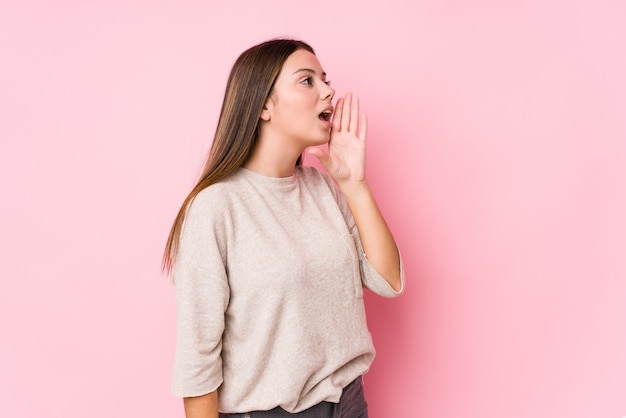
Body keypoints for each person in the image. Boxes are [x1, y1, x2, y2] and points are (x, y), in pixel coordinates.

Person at [163, 38, 405, 418]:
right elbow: (198, 362)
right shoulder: (215, 208)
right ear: (263, 106)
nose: (329, 90)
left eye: (326, 80)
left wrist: (355, 184)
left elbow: (388, 281)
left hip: (349, 404)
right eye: (307, 81)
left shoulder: (324, 187)